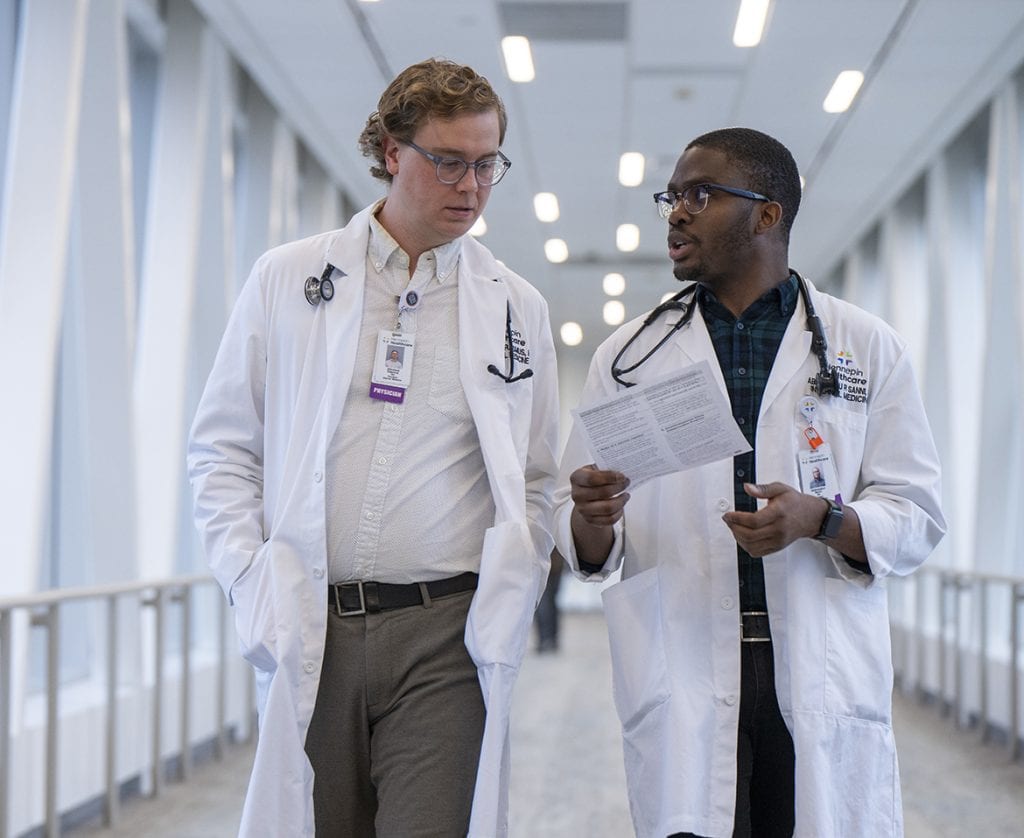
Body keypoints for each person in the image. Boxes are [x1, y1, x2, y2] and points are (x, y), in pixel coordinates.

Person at [188, 58, 559, 838]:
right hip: (311, 621)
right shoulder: (289, 278)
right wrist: (246, 576)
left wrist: (521, 577)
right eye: (448, 162)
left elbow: (536, 476)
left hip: (446, 635)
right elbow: (223, 450)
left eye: (487, 164)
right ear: (393, 153)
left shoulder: (516, 306)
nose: (471, 186)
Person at [552, 127, 946, 838]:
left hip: (815, 661)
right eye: (671, 197)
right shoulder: (629, 355)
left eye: (700, 195)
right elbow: (581, 532)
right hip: (685, 657)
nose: (676, 212)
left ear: (767, 214)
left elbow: (916, 513)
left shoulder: (866, 346)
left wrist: (820, 519)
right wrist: (593, 514)